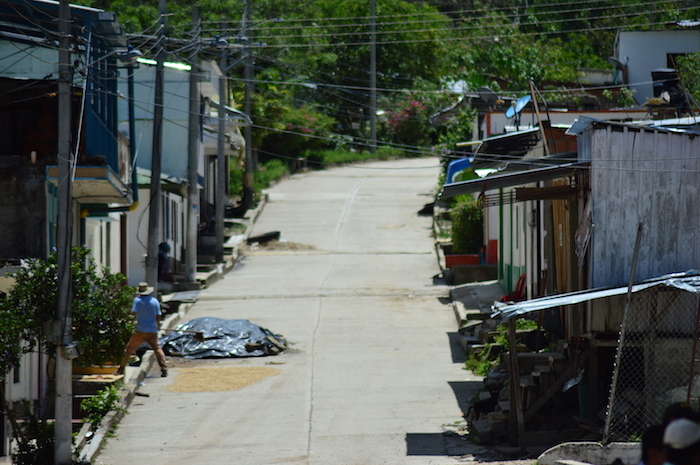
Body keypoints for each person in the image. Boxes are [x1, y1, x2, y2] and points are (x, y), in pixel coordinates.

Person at [116, 282, 168, 377]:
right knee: (157, 349)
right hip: (152, 330)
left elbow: (133, 313)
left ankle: (121, 369)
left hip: (140, 330)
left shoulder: (137, 301)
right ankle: (164, 368)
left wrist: (127, 320)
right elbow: (158, 315)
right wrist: (158, 326)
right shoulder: (154, 301)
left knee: (129, 349)